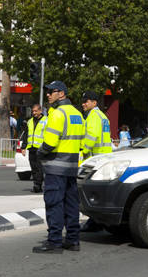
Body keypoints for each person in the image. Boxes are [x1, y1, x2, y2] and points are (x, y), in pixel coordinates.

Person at [32, 81, 85, 254]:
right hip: (71, 167)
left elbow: (51, 142)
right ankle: (73, 240)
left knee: (54, 203)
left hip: (56, 167)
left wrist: (40, 153)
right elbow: (82, 141)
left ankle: (54, 242)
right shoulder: (77, 114)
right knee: (71, 204)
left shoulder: (57, 113)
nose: (47, 95)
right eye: (47, 92)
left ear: (61, 94)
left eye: (50, 92)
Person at [80, 91, 113, 232]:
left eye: (86, 101)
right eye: (83, 101)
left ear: (94, 103)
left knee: (92, 193)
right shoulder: (103, 116)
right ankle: (99, 222)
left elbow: (91, 136)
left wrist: (82, 149)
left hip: (96, 159)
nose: (83, 103)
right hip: (106, 157)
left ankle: (94, 222)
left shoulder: (93, 115)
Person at [26, 104, 47, 193]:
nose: (34, 113)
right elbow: (26, 135)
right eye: (33, 111)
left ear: (40, 111)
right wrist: (23, 147)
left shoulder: (46, 121)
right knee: (33, 167)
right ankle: (36, 183)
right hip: (31, 148)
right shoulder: (30, 121)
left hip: (41, 148)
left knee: (39, 168)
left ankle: (37, 185)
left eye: (35, 111)